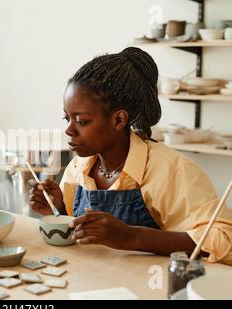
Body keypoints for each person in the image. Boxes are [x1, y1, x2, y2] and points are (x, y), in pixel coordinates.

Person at [30, 47, 232, 264]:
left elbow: (223, 240)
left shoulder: (170, 169)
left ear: (118, 120)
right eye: (67, 118)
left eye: (82, 121)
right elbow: (78, 228)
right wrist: (58, 209)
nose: (69, 130)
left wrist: (132, 237)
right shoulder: (79, 167)